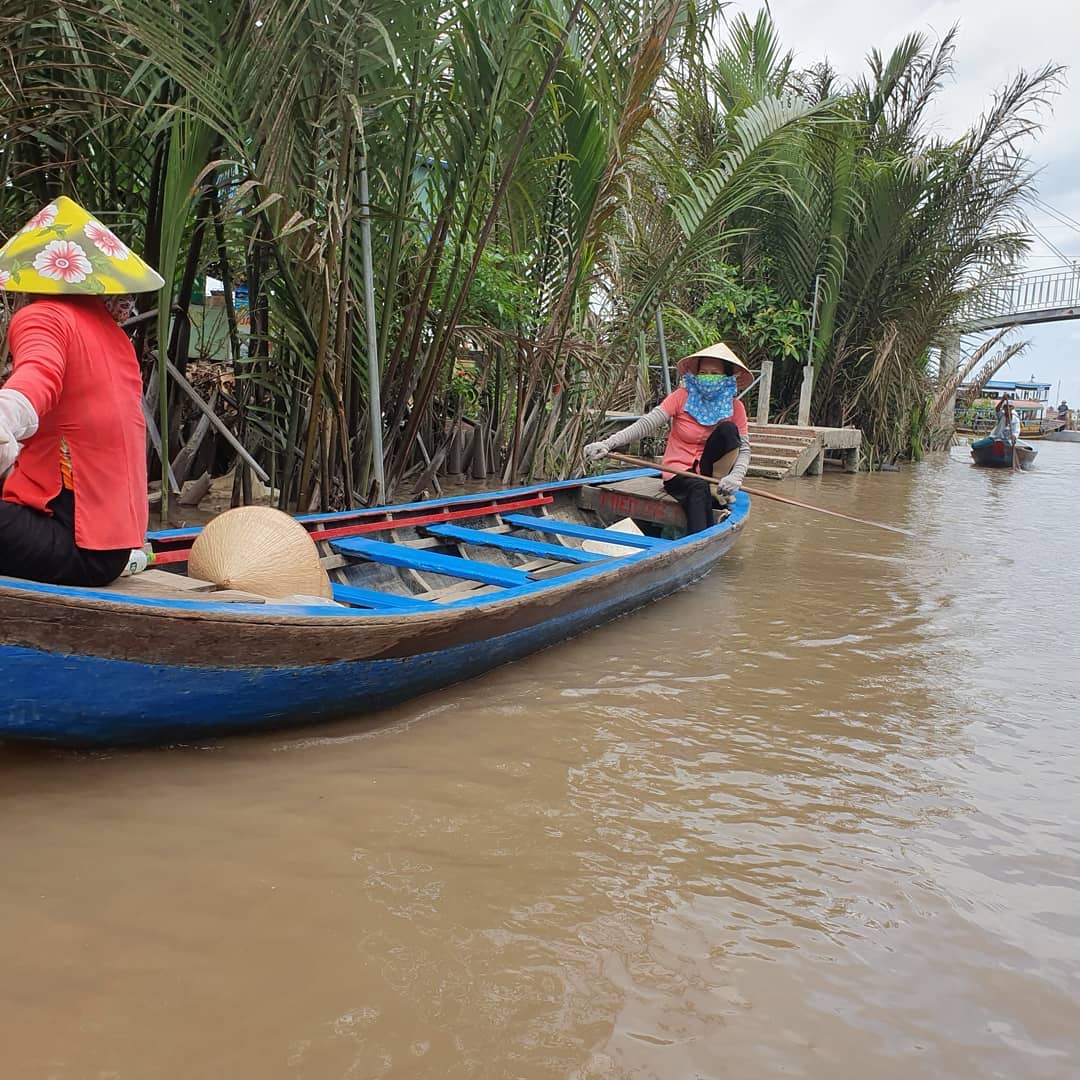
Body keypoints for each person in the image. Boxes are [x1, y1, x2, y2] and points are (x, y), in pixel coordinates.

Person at [0, 196, 164, 585]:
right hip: (111, 549)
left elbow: (37, 379)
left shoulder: (42, 316)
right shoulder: (114, 337)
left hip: (75, 543)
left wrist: (5, 415)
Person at [584, 342, 753, 534]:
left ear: (727, 377)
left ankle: (715, 486)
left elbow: (744, 449)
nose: (709, 377)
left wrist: (735, 477)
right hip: (679, 471)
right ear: (696, 375)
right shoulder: (681, 397)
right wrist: (608, 443)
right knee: (698, 488)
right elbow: (646, 424)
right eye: (704, 372)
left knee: (728, 430)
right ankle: (699, 540)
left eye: (715, 373)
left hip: (713, 474)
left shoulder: (735, 407)